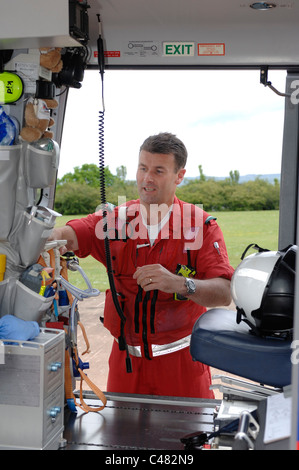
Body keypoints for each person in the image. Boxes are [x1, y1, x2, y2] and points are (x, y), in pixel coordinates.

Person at [51, 132, 234, 398]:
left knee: (188, 438)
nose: (147, 179)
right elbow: (67, 235)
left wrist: (180, 284)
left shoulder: (200, 226)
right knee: (120, 439)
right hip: (125, 365)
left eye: (159, 170)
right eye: (142, 168)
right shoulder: (114, 221)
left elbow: (224, 292)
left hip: (181, 365)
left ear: (179, 176)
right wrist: (49, 237)